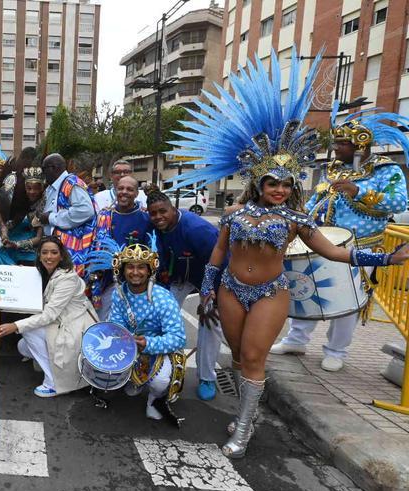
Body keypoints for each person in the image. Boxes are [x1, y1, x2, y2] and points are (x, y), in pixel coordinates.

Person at [169, 50, 409, 458]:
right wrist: (207, 292)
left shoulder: (298, 219)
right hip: (229, 289)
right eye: (271, 182)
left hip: (269, 293)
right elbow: (217, 254)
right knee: (239, 361)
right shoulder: (234, 212)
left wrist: (387, 260)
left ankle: (243, 429)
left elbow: (336, 253)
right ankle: (248, 411)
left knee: (253, 356)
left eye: (285, 183)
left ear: (291, 186)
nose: (278, 189)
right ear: (259, 182)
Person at [271, 110, 409, 372]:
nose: (335, 148)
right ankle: (296, 340)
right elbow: (318, 200)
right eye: (335, 142)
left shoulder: (386, 169)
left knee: (347, 301)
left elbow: (400, 202)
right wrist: (301, 219)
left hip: (363, 246)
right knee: (306, 290)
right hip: (321, 242)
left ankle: (336, 351)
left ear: (360, 144)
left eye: (341, 143)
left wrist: (358, 191)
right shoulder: (334, 170)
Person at [92, 238, 187, 422]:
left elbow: (178, 338)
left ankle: (153, 400)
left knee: (159, 383)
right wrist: (118, 340)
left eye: (141, 267)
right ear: (123, 270)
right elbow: (115, 324)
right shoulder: (119, 294)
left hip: (159, 349)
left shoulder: (163, 298)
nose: (135, 272)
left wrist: (149, 343)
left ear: (150, 270)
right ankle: (133, 380)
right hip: (130, 345)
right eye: (130, 267)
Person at [146, 188, 224, 401]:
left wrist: (209, 292)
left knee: (210, 324)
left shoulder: (196, 229)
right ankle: (160, 367)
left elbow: (219, 259)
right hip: (181, 278)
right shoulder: (158, 226)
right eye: (153, 214)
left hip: (212, 279)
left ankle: (207, 377)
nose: (158, 217)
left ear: (173, 209)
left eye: (163, 211)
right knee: (161, 316)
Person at [0, 236, 95, 397]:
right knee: (23, 347)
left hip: (75, 328)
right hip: (60, 323)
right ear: (39, 255)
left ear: (61, 255)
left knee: (28, 332)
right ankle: (54, 364)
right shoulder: (42, 272)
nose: (49, 257)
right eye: (44, 252)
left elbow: (49, 314)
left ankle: (54, 382)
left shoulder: (67, 278)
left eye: (54, 252)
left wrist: (15, 326)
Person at [90, 176, 151, 317]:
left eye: (130, 189)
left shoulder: (145, 218)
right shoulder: (104, 216)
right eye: (121, 188)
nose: (124, 192)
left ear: (136, 193)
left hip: (135, 280)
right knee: (104, 320)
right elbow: (95, 245)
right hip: (106, 279)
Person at [39, 153, 97, 278]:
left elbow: (86, 210)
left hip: (73, 248)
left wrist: (51, 218)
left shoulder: (71, 183)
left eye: (44, 169)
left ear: (53, 168)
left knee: (67, 285)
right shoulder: (54, 186)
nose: (43, 174)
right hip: (58, 249)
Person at [0, 165, 45, 265]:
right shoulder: (21, 203)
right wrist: (4, 235)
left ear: (42, 189)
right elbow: (8, 224)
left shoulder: (43, 206)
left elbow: (39, 238)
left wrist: (17, 245)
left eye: (36, 188)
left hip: (29, 252)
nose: (32, 192)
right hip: (10, 247)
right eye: (29, 188)